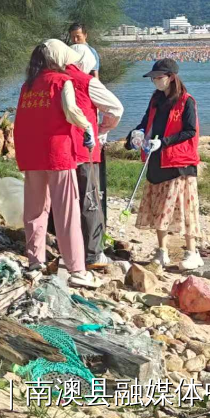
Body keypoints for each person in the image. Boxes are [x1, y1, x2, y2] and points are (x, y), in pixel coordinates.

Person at [13, 40, 100, 289]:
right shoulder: (63, 82)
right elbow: (71, 111)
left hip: (32, 154)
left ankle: (35, 262)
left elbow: (20, 121)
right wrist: (86, 127)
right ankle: (77, 270)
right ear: (58, 59)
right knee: (66, 212)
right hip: (58, 152)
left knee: (34, 210)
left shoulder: (27, 86)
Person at [126, 58, 203, 270]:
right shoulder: (155, 101)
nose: (156, 82)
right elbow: (145, 123)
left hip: (179, 163)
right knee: (159, 207)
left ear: (170, 77)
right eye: (153, 79)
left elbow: (190, 131)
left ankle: (192, 251)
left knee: (184, 209)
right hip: (156, 160)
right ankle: (161, 251)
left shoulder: (186, 101)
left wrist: (164, 142)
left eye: (159, 78)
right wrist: (136, 134)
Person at [66, 42, 124, 268]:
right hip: (84, 149)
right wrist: (102, 128)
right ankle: (92, 253)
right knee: (90, 200)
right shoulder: (87, 82)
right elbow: (116, 108)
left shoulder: (56, 79)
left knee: (65, 201)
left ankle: (67, 247)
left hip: (59, 151)